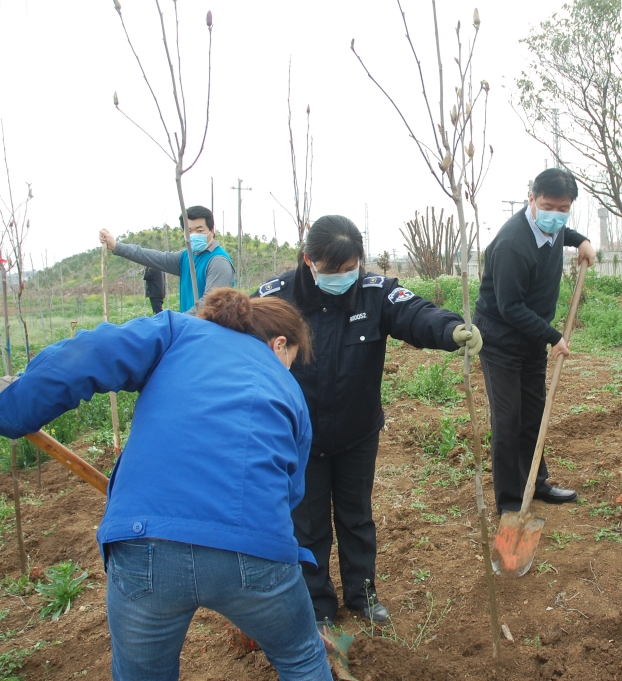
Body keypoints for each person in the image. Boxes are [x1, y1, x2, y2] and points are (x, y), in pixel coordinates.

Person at [0, 288, 332, 681]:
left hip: (145, 544)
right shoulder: (289, 391)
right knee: (301, 657)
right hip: (256, 549)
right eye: (292, 360)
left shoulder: (177, 332)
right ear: (280, 344)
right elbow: (290, 491)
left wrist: (16, 406)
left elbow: (90, 354)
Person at [253, 215, 482, 628]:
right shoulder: (277, 299)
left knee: (356, 516)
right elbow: (234, 334)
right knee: (307, 523)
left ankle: (364, 594)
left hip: (357, 432)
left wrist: (451, 330)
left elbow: (415, 313)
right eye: (332, 271)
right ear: (309, 261)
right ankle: (317, 604)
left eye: (350, 269)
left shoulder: (375, 292)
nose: (343, 277)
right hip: (299, 437)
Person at [474, 168, 595, 514]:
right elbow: (510, 307)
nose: (555, 215)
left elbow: (560, 231)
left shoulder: (551, 226)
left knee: (533, 413)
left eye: (563, 208)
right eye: (547, 206)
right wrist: (553, 336)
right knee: (508, 418)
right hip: (500, 339)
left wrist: (580, 239)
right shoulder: (513, 244)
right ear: (532, 199)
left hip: (530, 336)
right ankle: (511, 502)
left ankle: (535, 483)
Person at [99, 206, 234, 313]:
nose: (194, 235)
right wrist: (116, 246)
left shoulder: (218, 262)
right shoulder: (186, 257)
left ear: (211, 230)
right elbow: (154, 257)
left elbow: (209, 306)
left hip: (209, 335)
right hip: (190, 331)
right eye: (189, 231)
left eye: (199, 230)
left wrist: (174, 322)